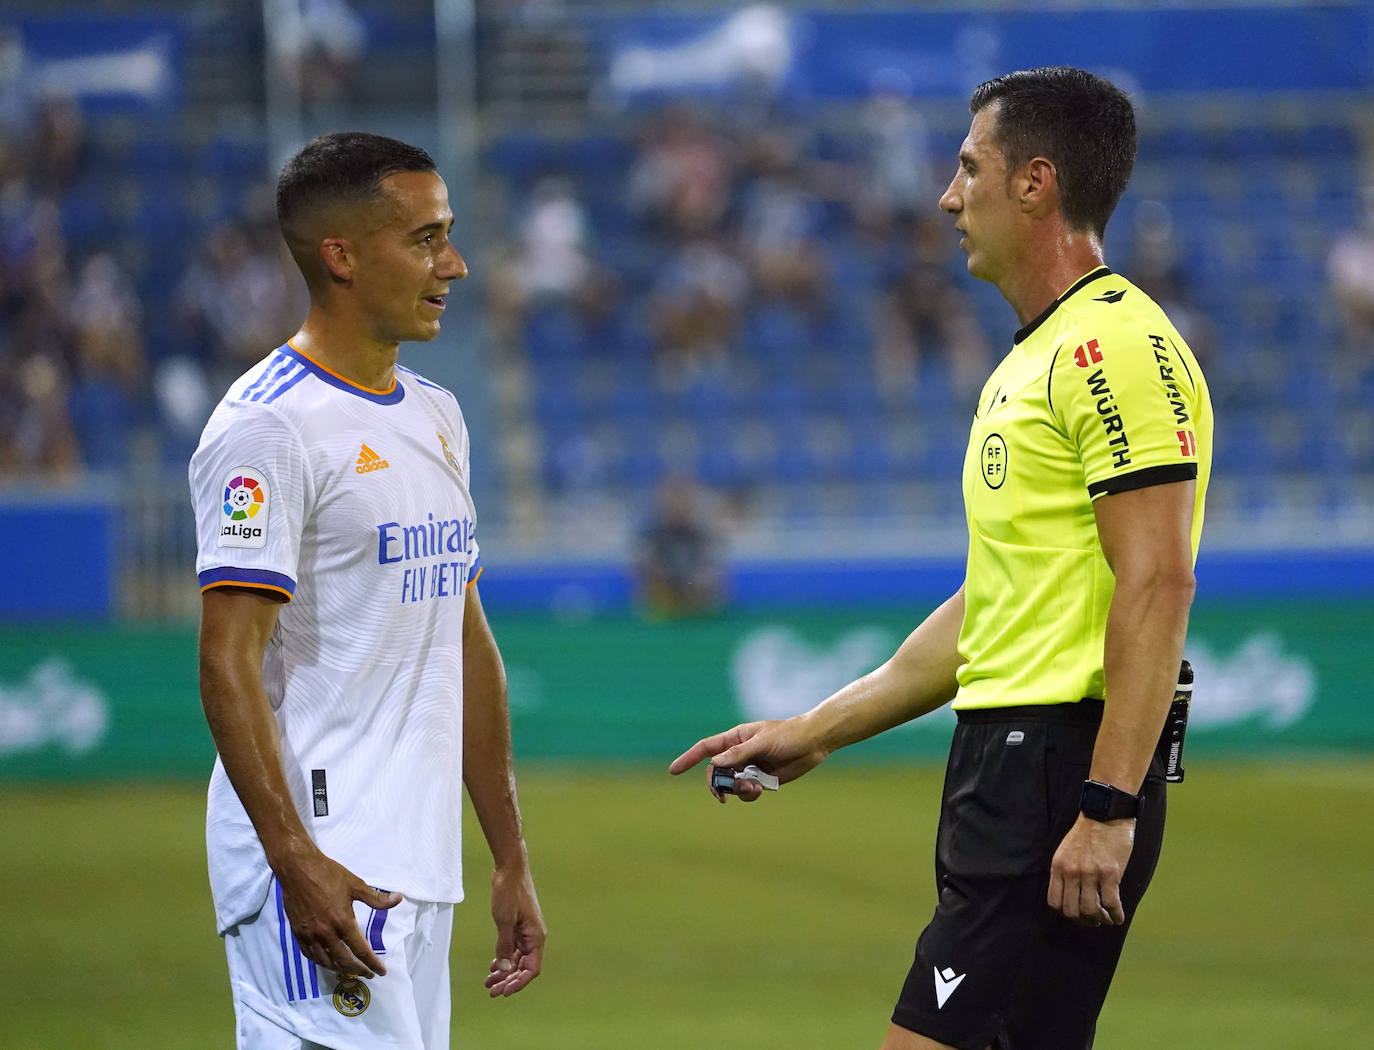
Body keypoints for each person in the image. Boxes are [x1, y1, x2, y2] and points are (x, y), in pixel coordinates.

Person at [671, 67, 1212, 1050]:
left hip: (1056, 769)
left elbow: (1160, 579)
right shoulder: (1033, 359)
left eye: (969, 168)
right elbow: (996, 604)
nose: (946, 196)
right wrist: (820, 727)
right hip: (1015, 764)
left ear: (1035, 183)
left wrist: (1106, 803)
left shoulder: (1113, 350)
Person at [190, 131, 545, 1050]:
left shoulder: (436, 413)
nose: (455, 265)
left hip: (417, 863)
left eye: (449, 235)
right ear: (340, 256)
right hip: (321, 861)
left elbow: (464, 641)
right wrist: (293, 859)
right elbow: (228, 660)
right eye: (426, 239)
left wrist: (509, 858)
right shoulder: (267, 428)